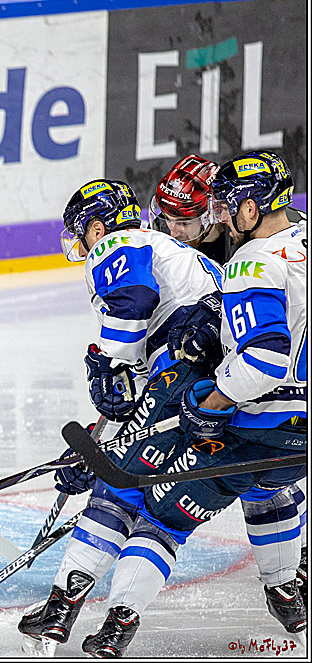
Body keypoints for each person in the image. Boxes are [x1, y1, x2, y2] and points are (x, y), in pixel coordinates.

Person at [19, 179, 224, 656]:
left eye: (82, 233)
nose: (82, 244)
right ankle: (117, 627)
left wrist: (108, 370)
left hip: (185, 374)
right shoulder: (172, 252)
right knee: (164, 513)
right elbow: (137, 390)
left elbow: (133, 302)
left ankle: (60, 610)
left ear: (96, 227)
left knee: (116, 492)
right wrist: (99, 440)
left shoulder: (118, 243)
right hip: (222, 392)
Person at [152, 154, 307, 612]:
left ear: (248, 208)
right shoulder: (295, 237)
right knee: (274, 478)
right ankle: (287, 580)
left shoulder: (249, 256)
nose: (218, 216)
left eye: (223, 207)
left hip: (267, 400)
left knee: (255, 469)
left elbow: (263, 357)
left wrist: (216, 398)